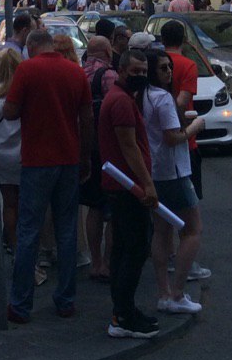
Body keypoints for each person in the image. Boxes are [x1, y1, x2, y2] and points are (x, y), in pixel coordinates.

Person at [3, 30, 93, 323]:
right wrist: (85, 156)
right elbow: (87, 118)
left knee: (29, 232)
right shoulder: (74, 71)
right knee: (67, 232)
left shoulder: (27, 69)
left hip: (36, 161)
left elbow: (12, 112)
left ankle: (20, 304)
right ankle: (66, 299)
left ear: (31, 47)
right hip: (68, 159)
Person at [98, 48, 159, 338]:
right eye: (135, 72)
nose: (140, 77)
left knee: (124, 249)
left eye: (144, 72)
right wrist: (147, 184)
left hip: (122, 186)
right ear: (121, 70)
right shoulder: (122, 102)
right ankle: (122, 316)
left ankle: (124, 310)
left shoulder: (121, 98)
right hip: (128, 187)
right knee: (134, 250)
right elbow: (128, 147)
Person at [142, 50, 206, 315]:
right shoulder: (163, 99)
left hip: (155, 169)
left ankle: (164, 292)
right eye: (163, 69)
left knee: (161, 229)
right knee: (192, 229)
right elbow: (172, 137)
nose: (169, 73)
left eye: (169, 67)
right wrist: (194, 128)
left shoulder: (143, 95)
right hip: (174, 170)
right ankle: (177, 291)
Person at [156, 22, 210, 281]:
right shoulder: (187, 65)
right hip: (184, 143)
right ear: (185, 39)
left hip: (158, 146)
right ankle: (184, 263)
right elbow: (182, 99)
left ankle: (165, 259)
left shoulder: (156, 61)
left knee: (163, 213)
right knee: (188, 213)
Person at [80, 37, 117, 281]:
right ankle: (109, 263)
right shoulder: (109, 75)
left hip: (87, 148)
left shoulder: (78, 73)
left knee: (93, 207)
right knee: (113, 209)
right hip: (109, 148)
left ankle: (95, 261)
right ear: (107, 51)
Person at [0, 48, 23, 254]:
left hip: (1, 153)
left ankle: (13, 245)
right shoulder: (26, 92)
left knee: (9, 204)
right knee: (27, 205)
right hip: (24, 153)